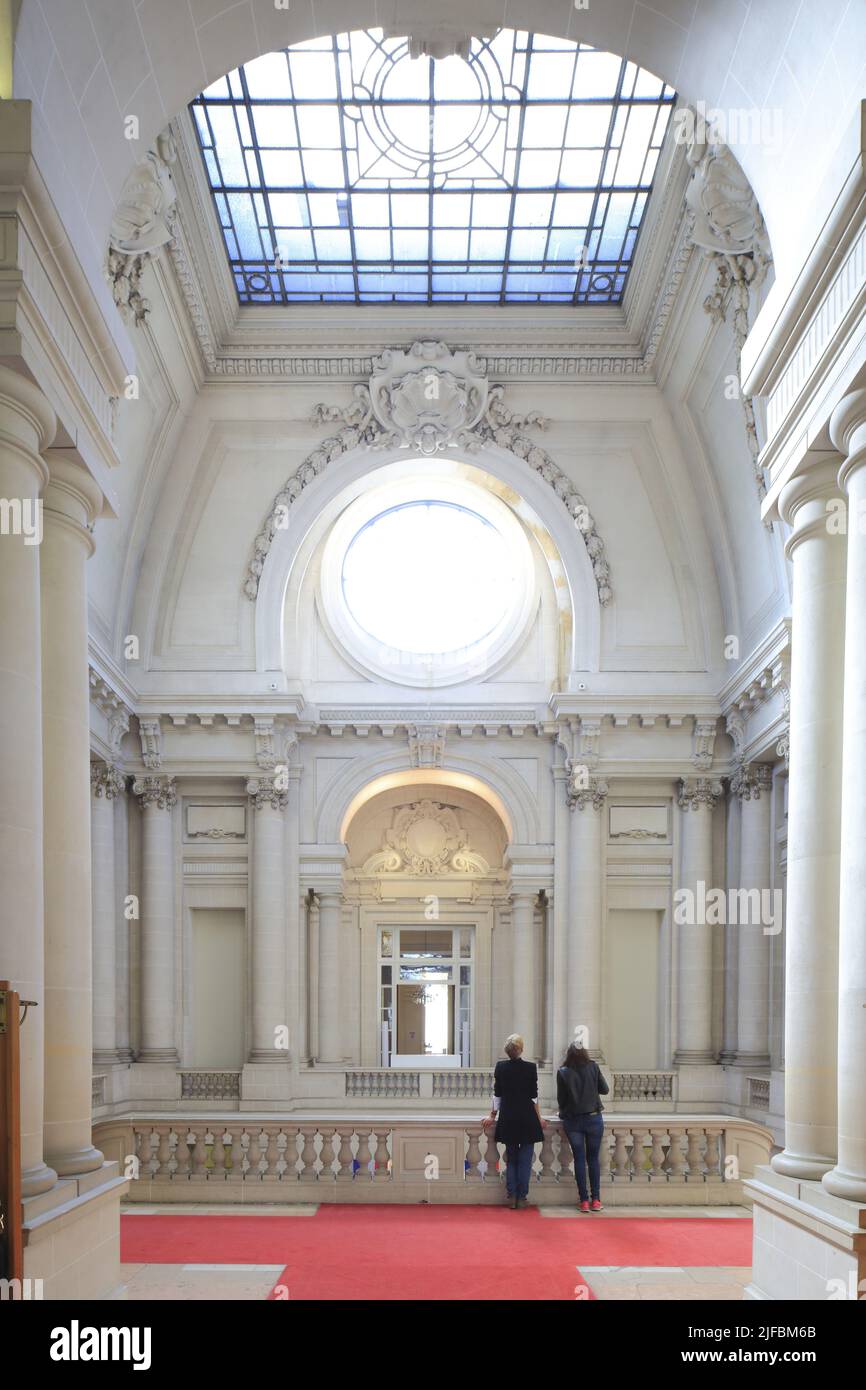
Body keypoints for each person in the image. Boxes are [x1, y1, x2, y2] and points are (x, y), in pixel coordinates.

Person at [487, 1034, 544, 1209]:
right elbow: (534, 1097)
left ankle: (511, 1195)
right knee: (526, 1160)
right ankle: (522, 1196)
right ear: (521, 1049)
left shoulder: (501, 1067)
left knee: (511, 1159)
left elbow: (497, 1095)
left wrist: (492, 1115)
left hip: (509, 1117)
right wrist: (540, 1118)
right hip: (527, 1118)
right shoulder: (530, 1068)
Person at [557, 1043, 609, 1212]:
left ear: (569, 1054)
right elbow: (605, 1089)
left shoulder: (563, 1072)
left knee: (579, 1159)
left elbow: (562, 1100)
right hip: (594, 1119)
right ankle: (596, 1200)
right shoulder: (593, 1067)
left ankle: (584, 1201)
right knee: (593, 1159)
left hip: (573, 1121)